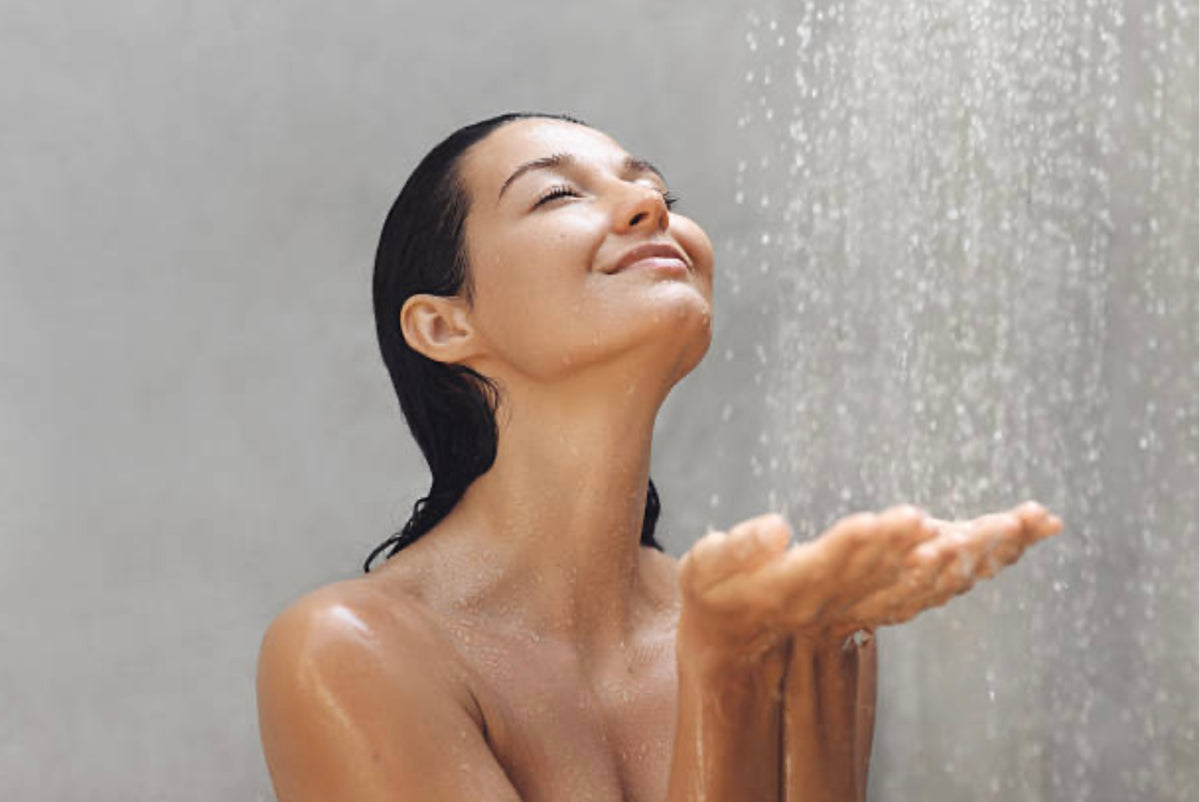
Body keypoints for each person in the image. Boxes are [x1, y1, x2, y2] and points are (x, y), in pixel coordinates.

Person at [255, 112, 1062, 801]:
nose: (650, 204)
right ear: (444, 326)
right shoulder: (350, 651)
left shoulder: (789, 620)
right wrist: (722, 683)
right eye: (558, 194)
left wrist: (808, 675)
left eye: (660, 194)